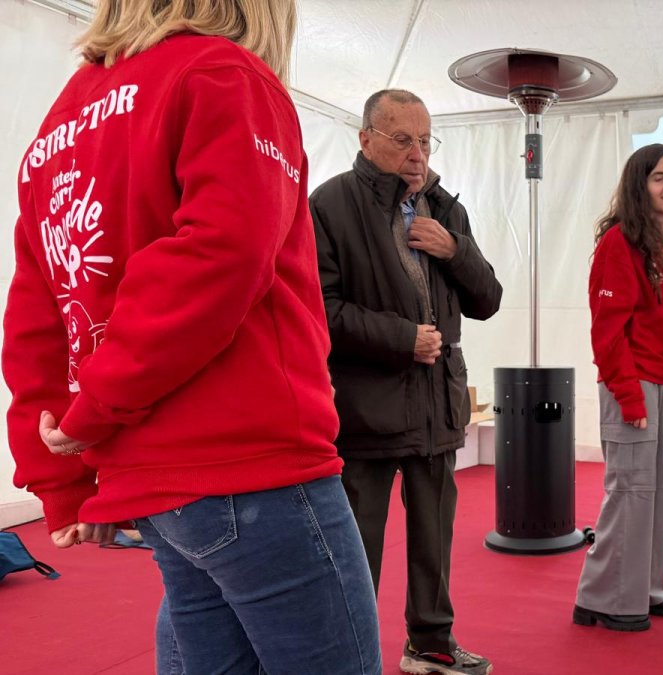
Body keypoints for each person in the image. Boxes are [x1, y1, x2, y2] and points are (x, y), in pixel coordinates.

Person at [2, 1, 382, 673]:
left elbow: (37, 308)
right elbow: (220, 257)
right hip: (250, 462)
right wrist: (96, 412)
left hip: (158, 483)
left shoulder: (59, 125)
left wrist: (64, 472)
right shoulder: (223, 74)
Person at [309, 89, 502, 675]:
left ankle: (430, 644)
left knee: (434, 541)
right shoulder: (330, 205)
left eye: (425, 140)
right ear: (365, 139)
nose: (417, 154)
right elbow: (318, 307)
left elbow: (488, 300)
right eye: (402, 140)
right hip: (366, 408)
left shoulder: (445, 206)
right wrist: (400, 338)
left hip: (438, 407)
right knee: (356, 547)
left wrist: (455, 250)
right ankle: (352, 654)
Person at [572, 143, 663, 632]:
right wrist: (627, 392)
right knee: (630, 491)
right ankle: (602, 598)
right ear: (638, 185)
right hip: (634, 382)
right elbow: (607, 330)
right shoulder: (618, 244)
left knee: (661, 493)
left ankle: (645, 586)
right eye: (659, 177)